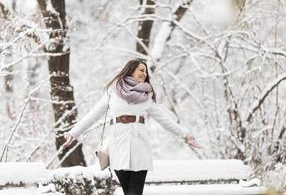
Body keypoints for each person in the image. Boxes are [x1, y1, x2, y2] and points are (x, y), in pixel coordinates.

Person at [62, 58, 200, 195]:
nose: (145, 74)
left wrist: (186, 135)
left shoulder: (147, 96)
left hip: (139, 147)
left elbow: (165, 120)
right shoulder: (113, 92)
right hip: (118, 147)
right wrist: (73, 133)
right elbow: (93, 114)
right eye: (141, 70)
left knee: (134, 192)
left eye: (146, 72)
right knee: (128, 191)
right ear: (131, 70)